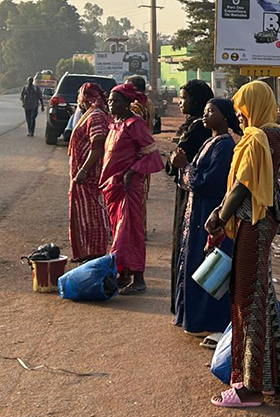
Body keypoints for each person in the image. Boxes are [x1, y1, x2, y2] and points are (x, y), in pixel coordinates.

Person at [205, 81, 280, 408]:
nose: (238, 115)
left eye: (242, 108)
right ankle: (263, 378)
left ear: (254, 105)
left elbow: (243, 185)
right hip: (259, 222)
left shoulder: (258, 137)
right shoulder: (271, 135)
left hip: (253, 223)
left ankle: (250, 387)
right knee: (257, 297)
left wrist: (218, 216)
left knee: (247, 300)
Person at [175, 97, 241, 339]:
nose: (204, 115)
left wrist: (184, 167)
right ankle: (191, 317)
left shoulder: (224, 147)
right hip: (198, 211)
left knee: (207, 264)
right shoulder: (211, 141)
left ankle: (209, 321)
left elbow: (209, 183)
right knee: (195, 262)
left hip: (209, 211)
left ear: (223, 116)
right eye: (204, 110)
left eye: (210, 111)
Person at [99, 82, 164, 295]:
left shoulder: (135, 124)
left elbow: (152, 155)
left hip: (128, 188)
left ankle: (138, 278)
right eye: (109, 101)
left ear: (127, 103)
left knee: (128, 232)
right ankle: (123, 273)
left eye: (116, 101)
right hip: (113, 187)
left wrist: (132, 172)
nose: (111, 104)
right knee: (117, 229)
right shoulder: (114, 124)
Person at [167, 79, 214, 312]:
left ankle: (186, 306)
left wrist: (178, 164)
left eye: (184, 98)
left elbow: (175, 161)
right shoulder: (192, 126)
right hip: (188, 189)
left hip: (193, 194)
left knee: (189, 248)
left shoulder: (198, 129)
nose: (180, 103)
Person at [68, 83, 112, 261]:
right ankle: (84, 251)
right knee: (81, 212)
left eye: (80, 96)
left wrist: (84, 169)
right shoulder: (90, 114)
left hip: (89, 174)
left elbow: (97, 145)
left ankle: (95, 252)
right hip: (82, 173)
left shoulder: (95, 116)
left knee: (92, 214)